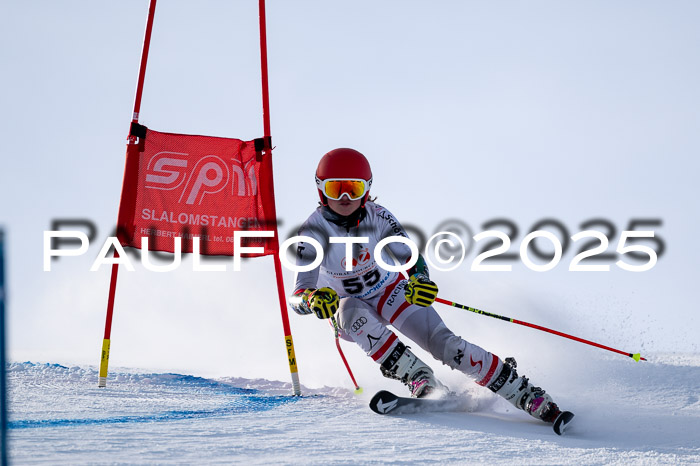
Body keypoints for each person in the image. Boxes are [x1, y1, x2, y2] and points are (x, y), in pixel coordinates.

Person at [289, 148, 564, 425]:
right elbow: (298, 294)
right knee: (349, 311)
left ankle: (524, 393)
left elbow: (411, 257)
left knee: (443, 343)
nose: (345, 198)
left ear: (367, 189)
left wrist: (420, 280)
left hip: (389, 292)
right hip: (350, 310)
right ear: (321, 190)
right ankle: (420, 379)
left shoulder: (379, 218)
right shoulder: (312, 233)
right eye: (336, 189)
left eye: (353, 188)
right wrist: (311, 300)